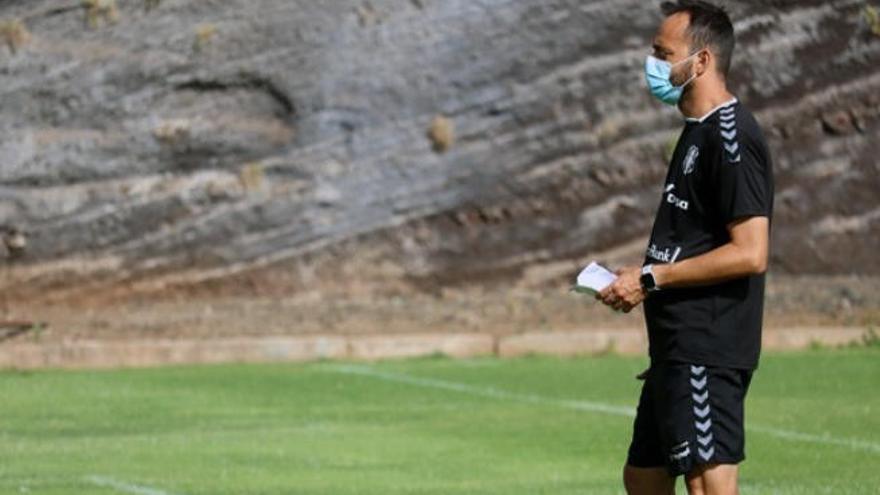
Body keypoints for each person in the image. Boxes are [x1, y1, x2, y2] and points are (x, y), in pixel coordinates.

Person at [595, 1, 775, 494]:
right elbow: (690, 242)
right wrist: (640, 275)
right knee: (644, 478)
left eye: (662, 52)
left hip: (707, 346)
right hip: (675, 349)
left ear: (700, 62)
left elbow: (750, 252)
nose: (651, 64)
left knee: (706, 486)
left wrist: (652, 278)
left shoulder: (732, 138)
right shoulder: (696, 133)